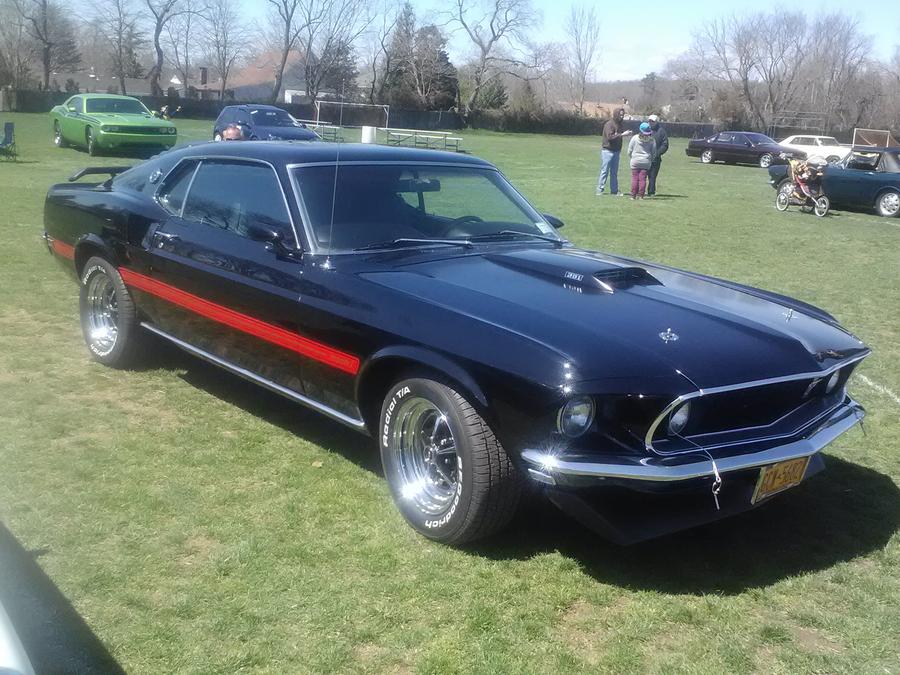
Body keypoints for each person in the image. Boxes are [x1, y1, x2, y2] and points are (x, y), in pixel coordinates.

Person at [596, 108, 633, 196]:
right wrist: (622, 134)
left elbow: (617, 136)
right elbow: (610, 137)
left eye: (623, 115)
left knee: (614, 172)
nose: (622, 116)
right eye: (620, 114)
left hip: (616, 151)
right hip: (607, 151)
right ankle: (599, 190)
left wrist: (623, 134)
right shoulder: (609, 124)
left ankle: (614, 190)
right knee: (604, 171)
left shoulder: (620, 124)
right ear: (616, 114)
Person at [627, 122, 657, 199]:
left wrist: (631, 157)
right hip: (646, 161)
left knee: (635, 178)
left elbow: (629, 150)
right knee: (642, 179)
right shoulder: (652, 140)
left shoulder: (634, 138)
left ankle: (633, 196)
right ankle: (641, 196)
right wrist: (650, 160)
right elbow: (654, 153)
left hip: (635, 161)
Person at [647, 114, 669, 196]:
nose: (650, 123)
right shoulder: (646, 129)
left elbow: (665, 145)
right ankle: (639, 191)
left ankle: (651, 192)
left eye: (652, 121)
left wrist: (657, 153)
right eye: (649, 121)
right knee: (642, 175)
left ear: (656, 122)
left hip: (655, 159)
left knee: (652, 177)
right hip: (645, 157)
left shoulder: (661, 131)